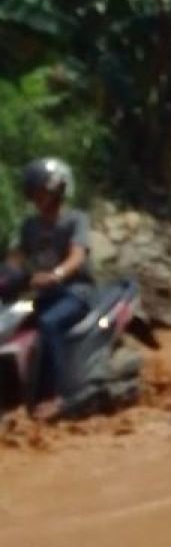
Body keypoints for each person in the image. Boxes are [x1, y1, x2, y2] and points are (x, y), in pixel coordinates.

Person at [5, 158, 93, 420]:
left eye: (41, 191)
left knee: (48, 324)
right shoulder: (30, 225)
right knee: (12, 322)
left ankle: (53, 396)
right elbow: (16, 257)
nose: (36, 198)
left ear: (58, 191)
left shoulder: (76, 220)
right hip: (41, 295)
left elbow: (77, 256)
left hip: (75, 293)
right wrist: (8, 273)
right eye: (33, 192)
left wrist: (56, 274)